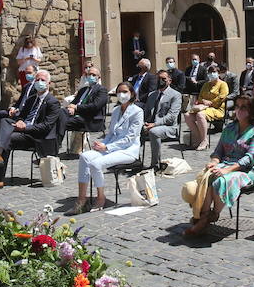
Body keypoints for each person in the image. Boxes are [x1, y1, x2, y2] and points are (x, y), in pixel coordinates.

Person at [184, 95, 254, 237]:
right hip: (226, 164)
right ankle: (203, 214)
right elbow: (218, 151)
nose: (239, 110)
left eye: (243, 107)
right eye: (237, 106)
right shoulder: (230, 127)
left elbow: (250, 159)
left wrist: (227, 169)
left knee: (221, 180)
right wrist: (214, 162)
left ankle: (211, 215)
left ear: (252, 111)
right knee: (207, 176)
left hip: (248, 171)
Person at [0, 69, 61, 190]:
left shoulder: (53, 102)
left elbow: (46, 126)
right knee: (5, 120)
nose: (39, 82)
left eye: (42, 80)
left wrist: (26, 127)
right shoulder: (31, 99)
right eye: (37, 80)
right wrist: (19, 121)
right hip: (23, 130)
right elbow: (22, 116)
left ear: (48, 84)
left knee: (8, 139)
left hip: (37, 136)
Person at [76, 83, 144, 213]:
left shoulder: (137, 112)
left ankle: (101, 197)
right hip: (111, 147)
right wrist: (101, 144)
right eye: (118, 92)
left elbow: (130, 138)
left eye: (124, 91)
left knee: (96, 164)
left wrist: (107, 146)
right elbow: (111, 133)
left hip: (127, 150)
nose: (121, 94)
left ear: (132, 93)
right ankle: (81, 198)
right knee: (85, 156)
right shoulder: (116, 110)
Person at [143, 71, 182, 169]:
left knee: (154, 131)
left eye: (163, 79)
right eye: (158, 79)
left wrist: (154, 124)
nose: (160, 81)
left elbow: (171, 117)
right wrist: (144, 123)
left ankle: (155, 165)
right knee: (133, 128)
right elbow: (146, 112)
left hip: (169, 127)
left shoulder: (175, 95)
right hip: (151, 124)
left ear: (169, 81)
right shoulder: (152, 95)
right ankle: (134, 160)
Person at [183, 67, 228, 149]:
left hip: (216, 109)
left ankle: (204, 141)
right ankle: (198, 139)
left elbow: (222, 97)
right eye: (210, 72)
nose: (211, 74)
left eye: (214, 72)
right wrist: (204, 101)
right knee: (187, 115)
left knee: (200, 115)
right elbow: (200, 97)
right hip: (203, 107)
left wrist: (210, 103)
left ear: (218, 73)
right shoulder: (206, 84)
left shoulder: (223, 84)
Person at [63, 66, 109, 134]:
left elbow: (95, 106)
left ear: (98, 77)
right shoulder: (83, 90)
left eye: (93, 75)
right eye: (89, 74)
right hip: (78, 116)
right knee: (60, 115)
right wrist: (70, 108)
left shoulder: (101, 90)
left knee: (62, 122)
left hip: (90, 119)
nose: (91, 76)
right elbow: (73, 102)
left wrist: (76, 107)